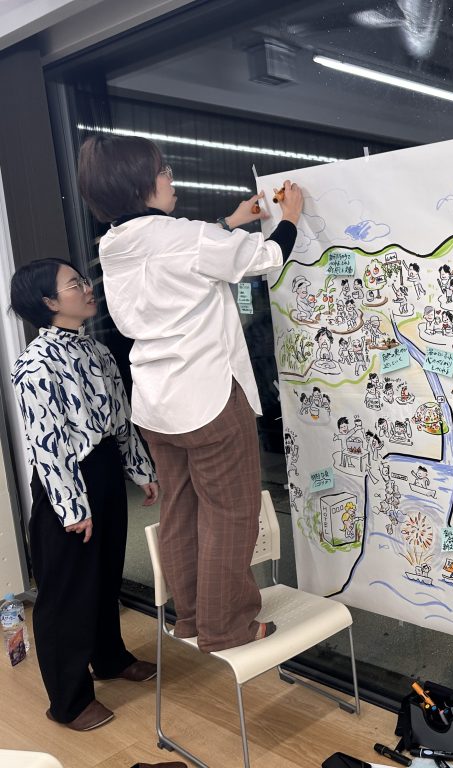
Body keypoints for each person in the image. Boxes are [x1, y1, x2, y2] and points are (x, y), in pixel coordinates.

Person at [78, 134, 302, 652]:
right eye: (163, 171)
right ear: (141, 185)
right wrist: (289, 216)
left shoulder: (113, 245)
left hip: (155, 403)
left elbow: (182, 254)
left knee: (180, 510)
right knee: (230, 513)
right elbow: (266, 256)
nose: (170, 178)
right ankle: (227, 628)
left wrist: (230, 222)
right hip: (208, 397)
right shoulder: (185, 236)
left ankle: (195, 618)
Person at [10, 259, 160, 731]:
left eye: (81, 279)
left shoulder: (96, 350)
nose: (86, 286)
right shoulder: (35, 364)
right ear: (48, 302)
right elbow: (47, 443)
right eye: (74, 283)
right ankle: (69, 701)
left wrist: (140, 469)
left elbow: (122, 416)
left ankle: (110, 658)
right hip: (66, 482)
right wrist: (72, 506)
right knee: (66, 593)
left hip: (106, 469)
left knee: (105, 575)